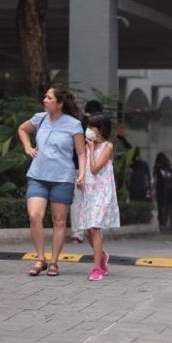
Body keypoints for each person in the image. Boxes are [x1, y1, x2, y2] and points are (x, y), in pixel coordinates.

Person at [18, 84, 86, 277]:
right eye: (45, 97)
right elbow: (22, 129)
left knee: (59, 220)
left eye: (49, 98)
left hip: (63, 178)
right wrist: (27, 147)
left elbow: (81, 152)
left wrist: (81, 174)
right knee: (34, 215)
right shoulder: (40, 119)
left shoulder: (73, 124)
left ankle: (54, 261)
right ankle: (40, 259)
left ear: (60, 103)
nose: (44, 100)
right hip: (38, 175)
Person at [75, 114, 119, 281]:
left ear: (101, 130)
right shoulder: (88, 147)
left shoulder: (107, 146)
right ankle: (102, 256)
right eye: (89, 127)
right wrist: (80, 178)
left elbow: (94, 168)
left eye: (92, 128)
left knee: (94, 227)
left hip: (103, 192)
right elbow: (86, 168)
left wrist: (92, 149)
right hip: (90, 191)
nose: (89, 131)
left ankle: (96, 268)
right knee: (88, 230)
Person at [70, 99, 104, 244]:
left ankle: (77, 234)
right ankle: (92, 231)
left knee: (77, 200)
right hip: (92, 168)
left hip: (76, 166)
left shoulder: (76, 123)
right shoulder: (98, 126)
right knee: (93, 200)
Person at [152, 152, 172, 232]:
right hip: (165, 187)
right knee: (164, 205)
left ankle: (162, 221)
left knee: (161, 206)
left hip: (161, 187)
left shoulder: (158, 167)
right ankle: (163, 221)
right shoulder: (164, 166)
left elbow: (155, 177)